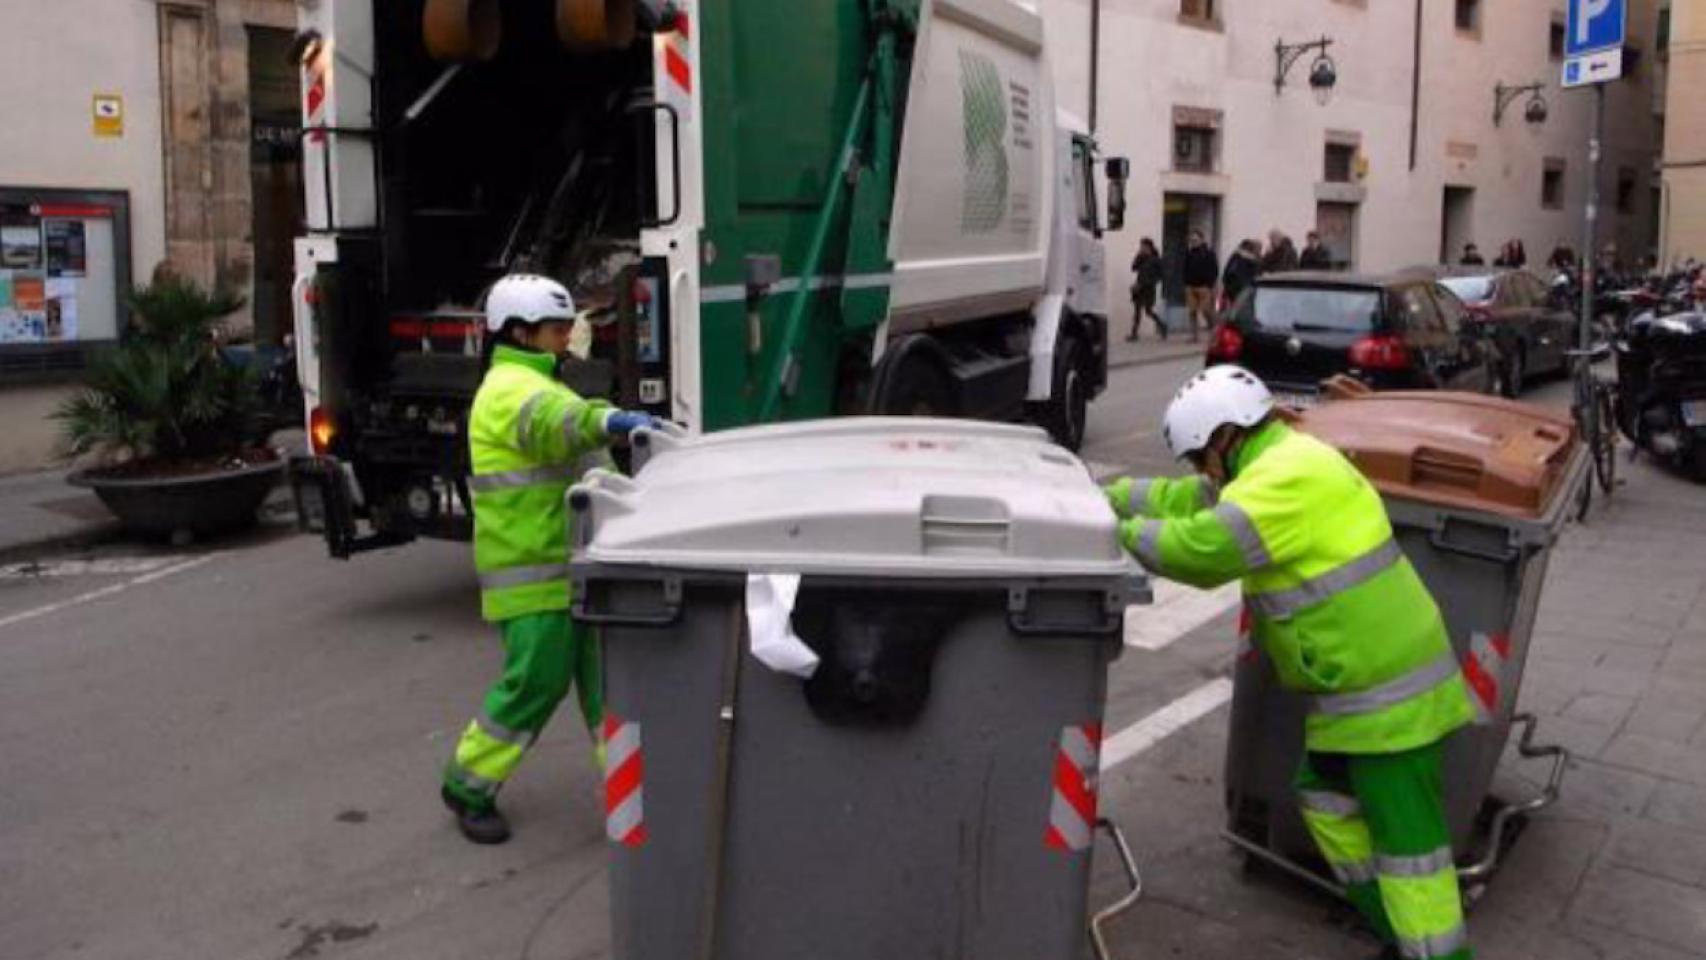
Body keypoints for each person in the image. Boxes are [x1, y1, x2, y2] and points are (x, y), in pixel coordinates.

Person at [1103, 366, 1476, 960]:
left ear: (1223, 438)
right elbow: (1187, 499)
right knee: (1323, 798)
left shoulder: (1284, 480)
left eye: (1200, 457)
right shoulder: (1276, 460)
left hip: (1388, 700)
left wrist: (1113, 528)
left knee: (1414, 857)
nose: (1201, 472)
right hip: (1359, 695)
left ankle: (1435, 951)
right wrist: (1114, 495)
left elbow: (1202, 550)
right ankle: (1393, 926)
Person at [441, 273, 662, 845]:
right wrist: (608, 420)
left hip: (576, 566)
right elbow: (554, 426)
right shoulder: (510, 389)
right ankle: (468, 784)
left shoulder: (543, 382)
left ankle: (633, 790)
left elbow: (589, 466)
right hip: (534, 572)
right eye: (558, 329)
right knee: (534, 684)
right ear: (520, 331)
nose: (569, 338)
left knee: (611, 687)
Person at [1182, 230, 1219, 342]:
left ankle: (1215, 330)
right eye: (1191, 240)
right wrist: (1185, 282)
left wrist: (1210, 284)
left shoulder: (1209, 253)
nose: (1193, 242)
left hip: (1204, 286)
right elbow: (1185, 268)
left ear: (1202, 240)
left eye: (1195, 240)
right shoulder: (1189, 253)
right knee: (1192, 311)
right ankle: (1194, 336)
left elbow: (1214, 269)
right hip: (1191, 286)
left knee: (1206, 310)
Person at [1129, 237, 1166, 341]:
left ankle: (1162, 326)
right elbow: (1133, 268)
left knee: (1148, 311)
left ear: (1149, 247)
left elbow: (1161, 275)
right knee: (1137, 311)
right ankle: (1134, 334)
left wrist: (1152, 282)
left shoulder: (1156, 260)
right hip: (1139, 287)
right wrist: (1138, 256)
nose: (1142, 248)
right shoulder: (1141, 258)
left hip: (1149, 288)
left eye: (1143, 246)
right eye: (1141, 246)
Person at [1221, 239, 1262, 309]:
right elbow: (1228, 271)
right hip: (1239, 289)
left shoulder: (1249, 259)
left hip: (1238, 289)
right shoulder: (1239, 258)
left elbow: (1227, 271)